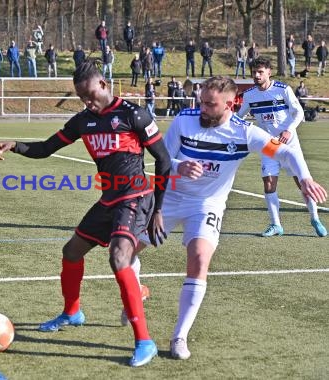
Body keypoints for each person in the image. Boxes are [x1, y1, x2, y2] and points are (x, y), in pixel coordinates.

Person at [124, 75, 327, 361]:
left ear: (231, 103)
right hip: (168, 199)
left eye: (210, 104)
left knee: (199, 259)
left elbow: (286, 152)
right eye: (201, 101)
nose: (203, 108)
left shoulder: (245, 132)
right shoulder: (184, 119)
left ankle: (179, 336)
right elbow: (163, 159)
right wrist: (180, 167)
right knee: (123, 254)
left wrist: (304, 178)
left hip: (206, 204)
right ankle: (137, 289)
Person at [0, 59, 172, 367]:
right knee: (71, 252)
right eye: (81, 98)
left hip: (136, 196)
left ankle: (145, 341)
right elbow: (45, 148)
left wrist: (159, 210)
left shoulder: (134, 115)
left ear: (103, 84)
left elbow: (164, 162)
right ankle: (72, 312)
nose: (87, 102)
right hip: (109, 198)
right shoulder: (82, 121)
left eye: (90, 94)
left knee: (118, 257)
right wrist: (15, 145)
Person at [238, 57, 327, 237]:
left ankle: (315, 218)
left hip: (289, 144)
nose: (256, 75)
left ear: (269, 72)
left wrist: (288, 130)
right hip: (269, 146)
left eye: (260, 72)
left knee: (302, 183)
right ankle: (276, 225)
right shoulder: (249, 95)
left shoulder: (282, 89)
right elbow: (240, 116)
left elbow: (298, 112)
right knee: (269, 183)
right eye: (254, 72)